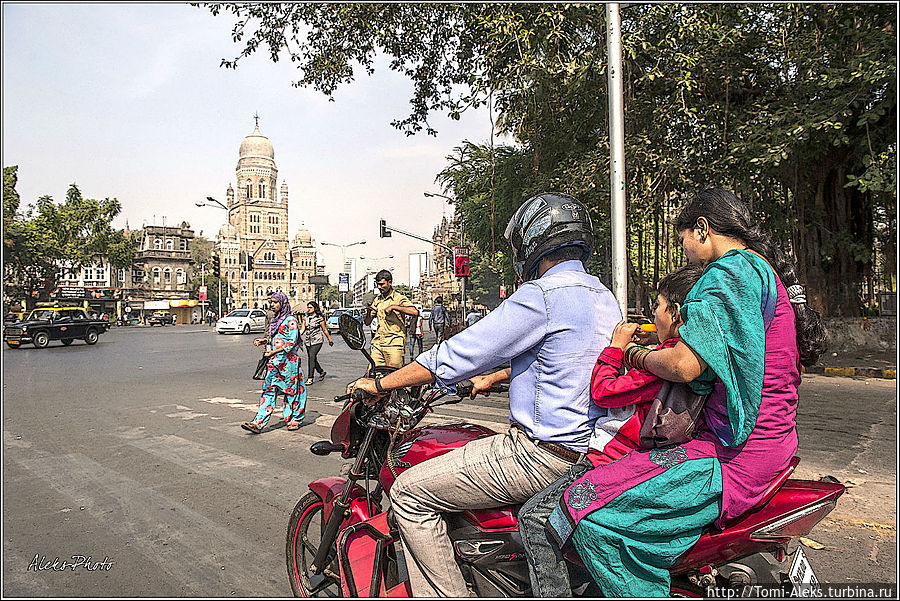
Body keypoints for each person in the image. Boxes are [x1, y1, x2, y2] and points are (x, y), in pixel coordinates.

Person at [547, 188, 827, 597]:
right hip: (765, 442)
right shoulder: (761, 271)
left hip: (736, 454)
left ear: (702, 229)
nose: (685, 252)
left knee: (587, 513)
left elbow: (685, 364)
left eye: (682, 240)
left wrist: (635, 355)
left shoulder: (731, 272)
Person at [347, 193, 621, 597]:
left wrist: (380, 383)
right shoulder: (603, 296)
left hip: (542, 455)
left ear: (532, 244)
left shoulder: (541, 295)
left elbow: (458, 354)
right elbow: (571, 359)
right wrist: (496, 377)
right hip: (594, 451)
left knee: (408, 493)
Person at [518, 263, 705, 596]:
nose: (655, 316)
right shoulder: (681, 355)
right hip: (638, 458)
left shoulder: (661, 362)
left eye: (658, 308)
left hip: (609, 459)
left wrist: (617, 348)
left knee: (533, 518)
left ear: (676, 314)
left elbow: (603, 390)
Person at [241, 291, 306, 434]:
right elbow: (277, 338)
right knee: (268, 391)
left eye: (275, 302)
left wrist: (273, 352)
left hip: (288, 364)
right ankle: (258, 423)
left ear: (282, 303)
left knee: (291, 393)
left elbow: (291, 343)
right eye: (271, 302)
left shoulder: (291, 321)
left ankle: (294, 419)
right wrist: (264, 341)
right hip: (274, 364)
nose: (272, 305)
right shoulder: (275, 320)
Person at [363, 270, 419, 368]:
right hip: (378, 344)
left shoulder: (399, 298)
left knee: (394, 376)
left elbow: (415, 312)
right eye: (377, 285)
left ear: (390, 282)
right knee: (373, 373)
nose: (379, 287)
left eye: (382, 284)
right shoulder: (377, 300)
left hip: (394, 343)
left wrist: (394, 307)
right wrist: (368, 311)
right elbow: (367, 322)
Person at [300, 300, 333, 385]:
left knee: (311, 357)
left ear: (315, 308)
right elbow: (303, 329)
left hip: (317, 340)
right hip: (308, 341)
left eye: (310, 307)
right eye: (308, 307)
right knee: (313, 358)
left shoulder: (319, 318)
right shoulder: (305, 317)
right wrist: (296, 336)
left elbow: (324, 329)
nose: (308, 309)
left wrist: (330, 339)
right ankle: (321, 371)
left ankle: (310, 378)